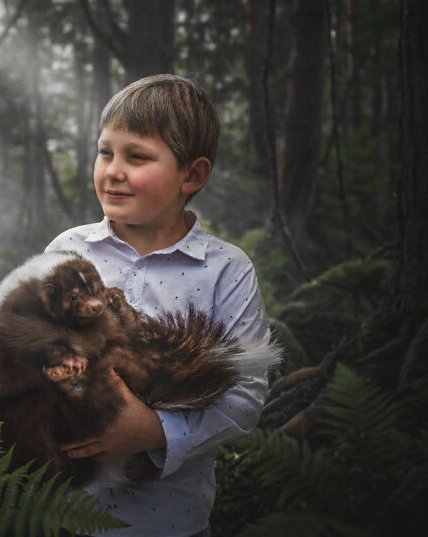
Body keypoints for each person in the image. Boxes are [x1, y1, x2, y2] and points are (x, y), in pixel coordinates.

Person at [44, 74, 271, 537]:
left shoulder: (226, 270)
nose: (113, 170)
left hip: (171, 523)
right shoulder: (68, 250)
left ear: (192, 175)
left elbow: (244, 400)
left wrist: (154, 431)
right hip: (63, 515)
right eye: (105, 151)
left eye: (138, 157)